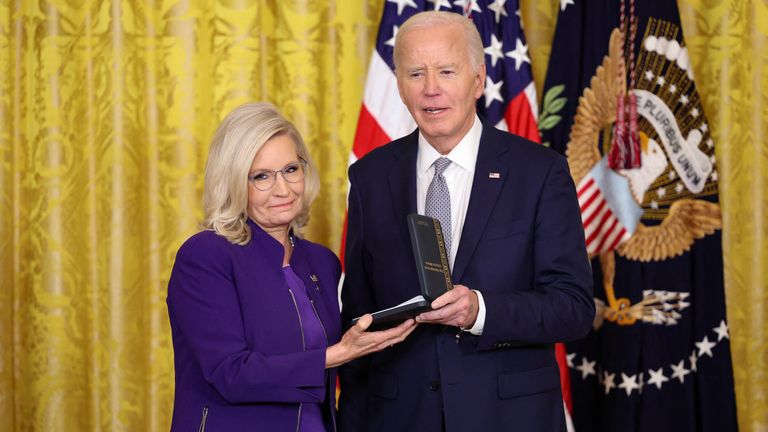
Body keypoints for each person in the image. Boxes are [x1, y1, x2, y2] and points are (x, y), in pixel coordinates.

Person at [338, 11, 594, 432]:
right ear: (399, 85)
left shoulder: (539, 172)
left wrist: (480, 309)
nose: (431, 89)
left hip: (509, 418)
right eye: (416, 73)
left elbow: (573, 308)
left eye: (446, 71)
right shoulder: (369, 176)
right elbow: (359, 317)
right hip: (399, 417)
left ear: (478, 79)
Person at [166, 102, 416, 431]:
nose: (283, 189)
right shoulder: (204, 257)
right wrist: (336, 355)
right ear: (233, 182)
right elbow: (231, 373)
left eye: (290, 170)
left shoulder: (321, 261)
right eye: (261, 177)